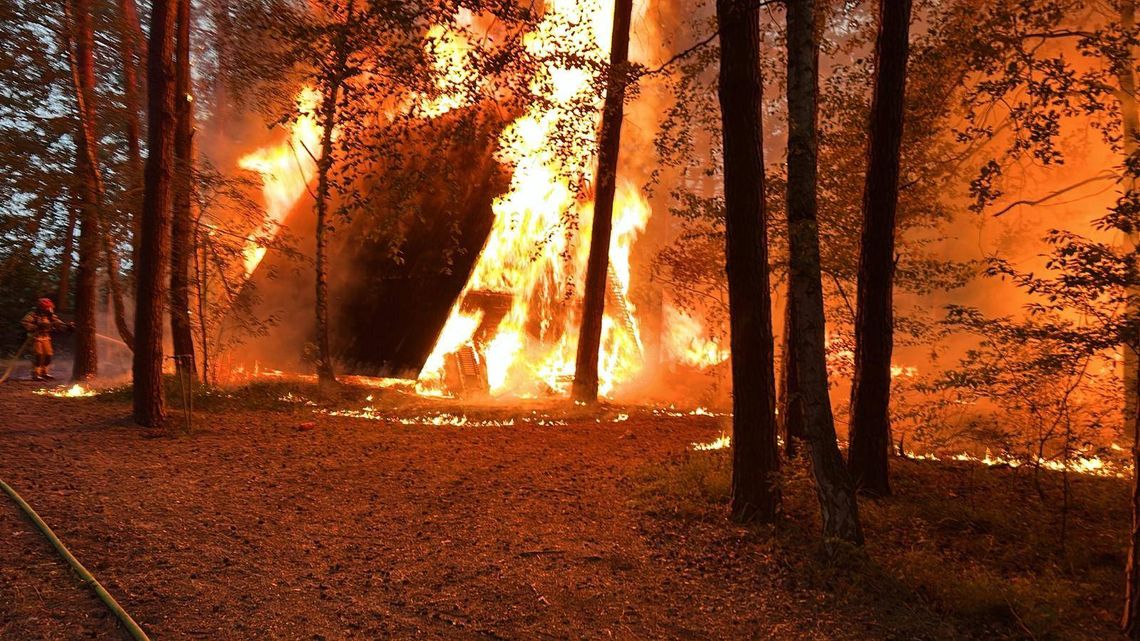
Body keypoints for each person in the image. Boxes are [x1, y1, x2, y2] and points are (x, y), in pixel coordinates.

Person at [21, 298, 71, 381]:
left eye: (50, 308)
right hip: (36, 337)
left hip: (46, 337)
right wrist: (36, 327)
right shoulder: (33, 314)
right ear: (41, 308)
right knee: (38, 355)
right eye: (47, 308)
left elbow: (58, 323)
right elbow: (24, 322)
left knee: (48, 354)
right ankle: (36, 373)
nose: (50, 310)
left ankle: (44, 372)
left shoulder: (50, 316)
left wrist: (67, 326)